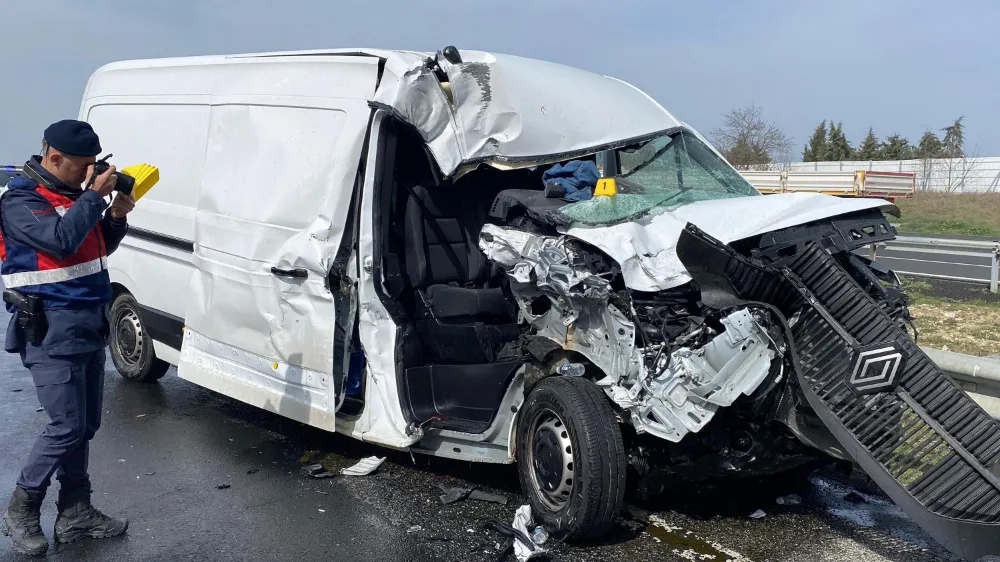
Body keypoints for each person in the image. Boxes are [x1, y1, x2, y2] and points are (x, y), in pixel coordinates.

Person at [0, 120, 135, 556]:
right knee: (66, 426)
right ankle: (21, 509)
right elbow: (58, 241)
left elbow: (92, 249)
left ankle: (76, 512)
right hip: (50, 327)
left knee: (85, 425)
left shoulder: (75, 197)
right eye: (82, 167)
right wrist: (95, 197)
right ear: (53, 157)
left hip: (88, 324)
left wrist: (113, 217)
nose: (88, 174)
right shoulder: (20, 201)